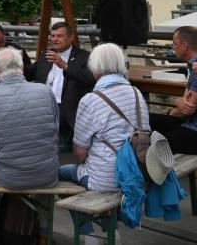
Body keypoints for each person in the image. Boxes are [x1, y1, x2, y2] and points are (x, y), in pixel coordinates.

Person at [60, 43, 149, 244]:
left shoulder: (90, 100)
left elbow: (80, 153)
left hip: (106, 178)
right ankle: (110, 230)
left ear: (95, 67)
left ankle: (88, 234)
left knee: (62, 173)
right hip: (137, 173)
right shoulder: (137, 94)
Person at [0, 47, 59, 241]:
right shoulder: (46, 91)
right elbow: (55, 131)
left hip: (7, 176)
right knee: (43, 180)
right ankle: (44, 234)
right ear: (21, 67)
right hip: (47, 173)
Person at [150, 26, 197, 155]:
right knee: (147, 121)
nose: (172, 47)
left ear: (184, 45)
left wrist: (177, 104)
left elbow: (187, 109)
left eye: (175, 43)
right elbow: (184, 105)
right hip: (194, 123)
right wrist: (178, 105)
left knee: (154, 143)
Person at [34, 21, 94, 148]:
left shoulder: (84, 57)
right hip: (44, 106)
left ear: (71, 37)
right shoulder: (46, 55)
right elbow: (31, 73)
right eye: (53, 36)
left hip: (68, 110)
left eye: (59, 36)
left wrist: (65, 66)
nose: (55, 39)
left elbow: (89, 79)